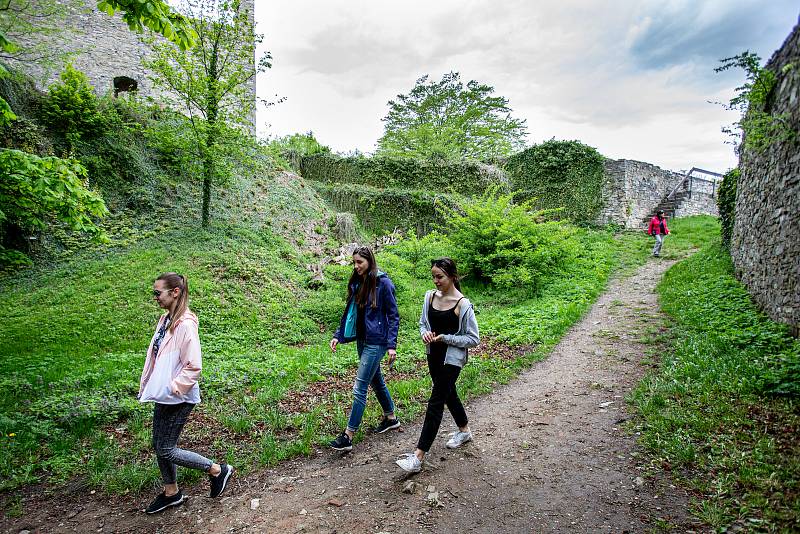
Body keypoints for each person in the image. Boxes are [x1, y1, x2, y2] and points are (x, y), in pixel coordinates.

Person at [138, 272, 234, 514]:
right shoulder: (166, 320)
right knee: (158, 444)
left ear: (175, 292)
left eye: (158, 293)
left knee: (166, 448)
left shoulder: (186, 324)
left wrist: (174, 388)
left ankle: (217, 470)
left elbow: (194, 365)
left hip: (179, 396)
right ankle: (172, 493)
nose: (155, 297)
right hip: (166, 393)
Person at [396, 258, 479, 473]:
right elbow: (423, 323)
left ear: (453, 276)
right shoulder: (429, 297)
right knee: (449, 393)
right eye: (433, 276)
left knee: (436, 400)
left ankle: (418, 456)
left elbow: (473, 338)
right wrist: (425, 334)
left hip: (452, 359)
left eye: (440, 276)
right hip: (433, 355)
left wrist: (446, 338)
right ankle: (464, 430)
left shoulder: (463, 304)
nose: (436, 281)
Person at [329, 246, 401, 452]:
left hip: (376, 342)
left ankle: (348, 435)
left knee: (359, 386)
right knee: (376, 379)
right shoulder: (357, 282)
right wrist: (338, 335)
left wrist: (391, 345)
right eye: (354, 262)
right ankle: (391, 417)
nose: (356, 266)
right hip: (362, 339)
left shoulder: (383, 283)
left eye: (359, 262)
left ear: (370, 261)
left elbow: (393, 316)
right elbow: (350, 313)